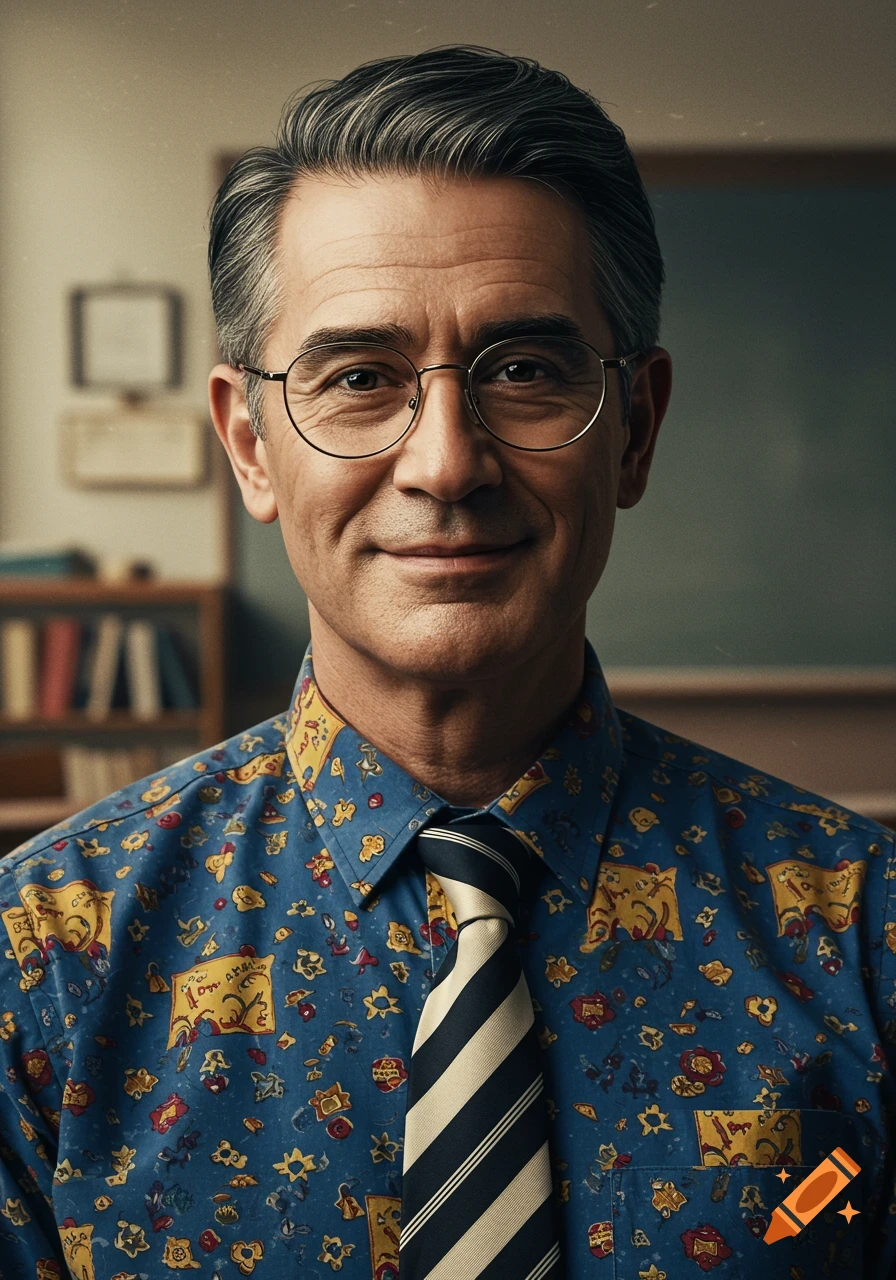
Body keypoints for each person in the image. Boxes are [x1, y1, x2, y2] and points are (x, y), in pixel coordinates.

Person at [0, 45, 892, 1280]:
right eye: (359, 378)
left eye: (523, 371)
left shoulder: (866, 938)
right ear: (250, 445)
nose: (445, 463)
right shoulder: (39, 960)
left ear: (634, 430)